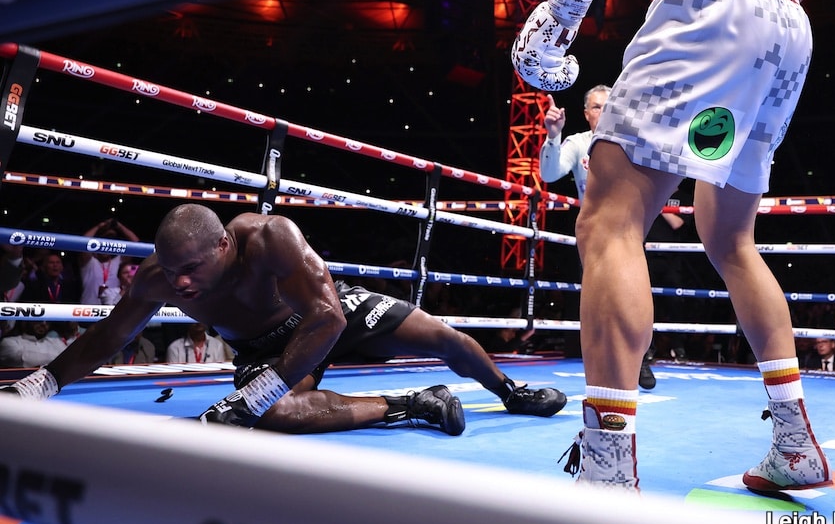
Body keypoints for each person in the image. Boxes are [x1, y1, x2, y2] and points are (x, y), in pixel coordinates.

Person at [513, 0, 826, 491]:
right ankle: (796, 445)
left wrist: (558, 20)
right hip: (787, 27)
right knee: (731, 239)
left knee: (608, 219)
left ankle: (606, 470)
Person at [1, 204, 566, 435]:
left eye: (192, 270)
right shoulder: (159, 278)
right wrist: (42, 381)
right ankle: (412, 404)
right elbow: (108, 337)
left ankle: (509, 391)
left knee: (445, 337)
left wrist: (256, 391)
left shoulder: (270, 239)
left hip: (325, 314)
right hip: (261, 345)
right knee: (279, 416)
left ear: (225, 245)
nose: (181, 285)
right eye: (173, 273)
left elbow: (327, 318)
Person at [539, 83, 666, 390]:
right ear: (586, 114)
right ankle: (604, 364)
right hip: (594, 234)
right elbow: (549, 173)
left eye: (610, 106)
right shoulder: (579, 143)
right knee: (599, 302)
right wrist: (552, 135)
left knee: (633, 296)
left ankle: (642, 358)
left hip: (631, 230)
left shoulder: (634, 140)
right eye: (597, 107)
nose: (605, 111)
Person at [77, 217, 140, 305]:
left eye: (110, 241)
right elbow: (82, 243)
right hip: (87, 311)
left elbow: (137, 244)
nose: (107, 244)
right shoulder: (89, 262)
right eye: (104, 240)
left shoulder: (119, 262)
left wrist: (119, 226)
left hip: (112, 309)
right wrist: (99, 226)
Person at [166, 321, 234, 364]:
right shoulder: (174, 347)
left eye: (200, 317)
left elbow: (220, 374)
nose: (198, 321)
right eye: (194, 317)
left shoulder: (217, 345)